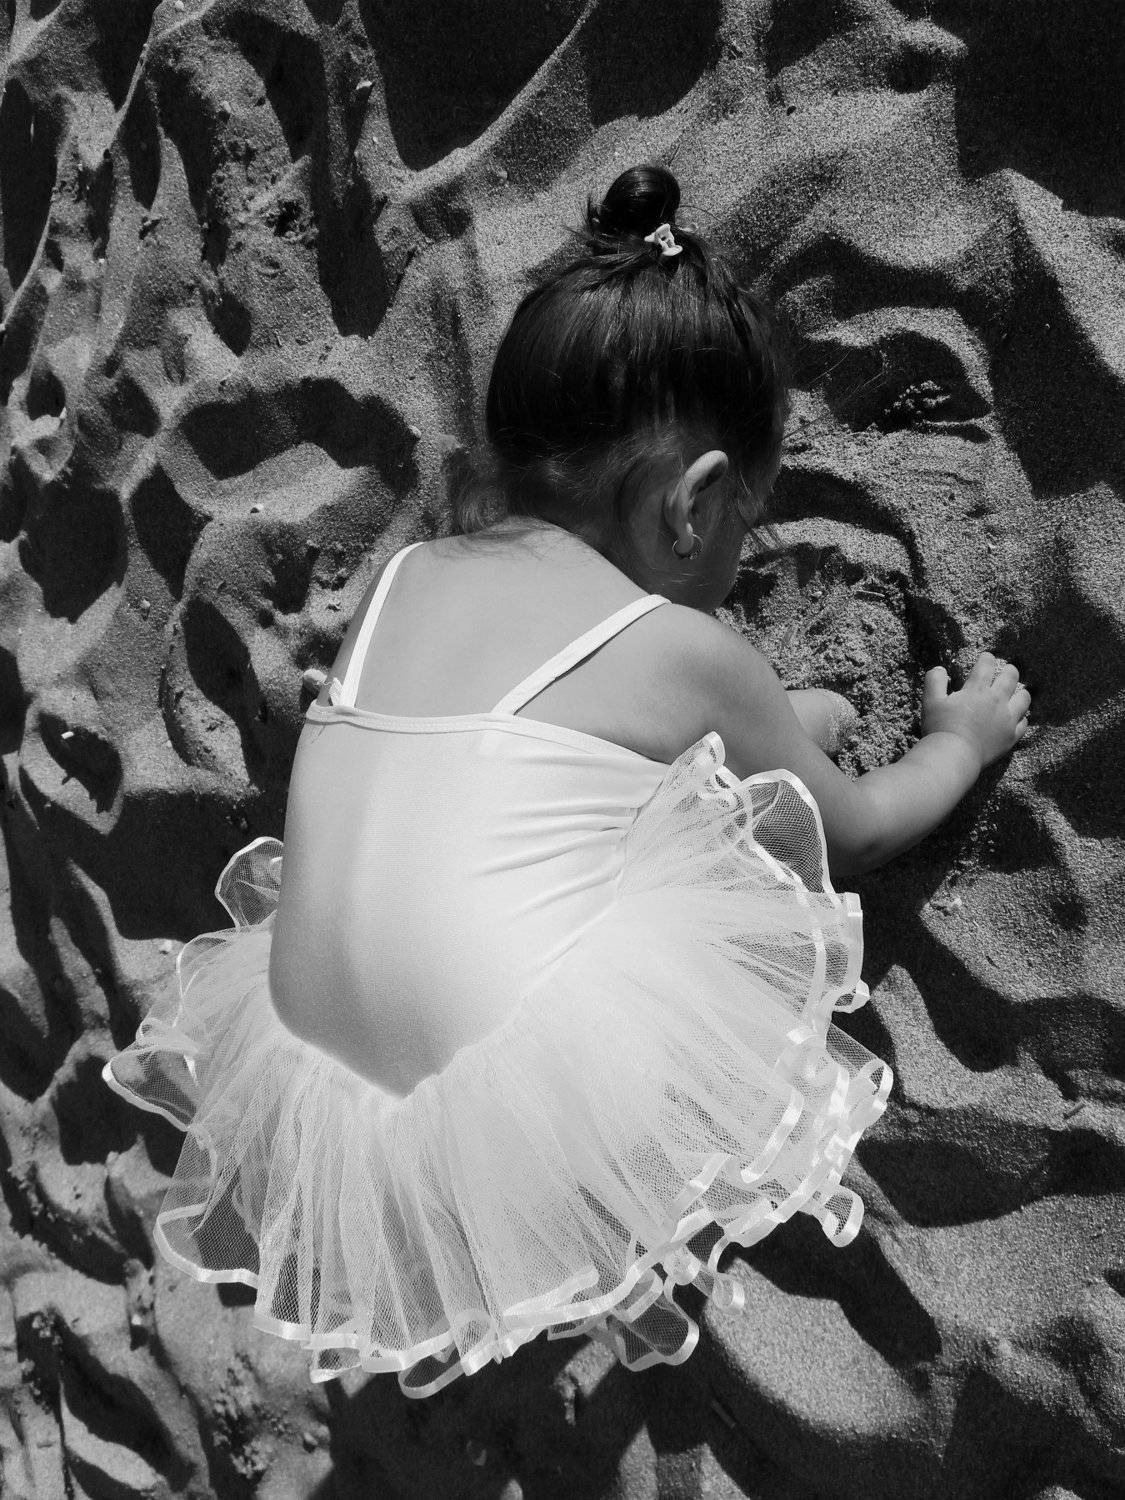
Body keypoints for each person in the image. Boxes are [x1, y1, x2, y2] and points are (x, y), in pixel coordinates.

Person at [101, 163, 1030, 1397]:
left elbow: (545, 749)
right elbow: (853, 828)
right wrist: (961, 740)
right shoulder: (681, 653)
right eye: (745, 521)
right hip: (505, 1083)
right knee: (714, 892)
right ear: (694, 507)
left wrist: (776, 720)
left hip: (310, 1063)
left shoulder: (409, 576)